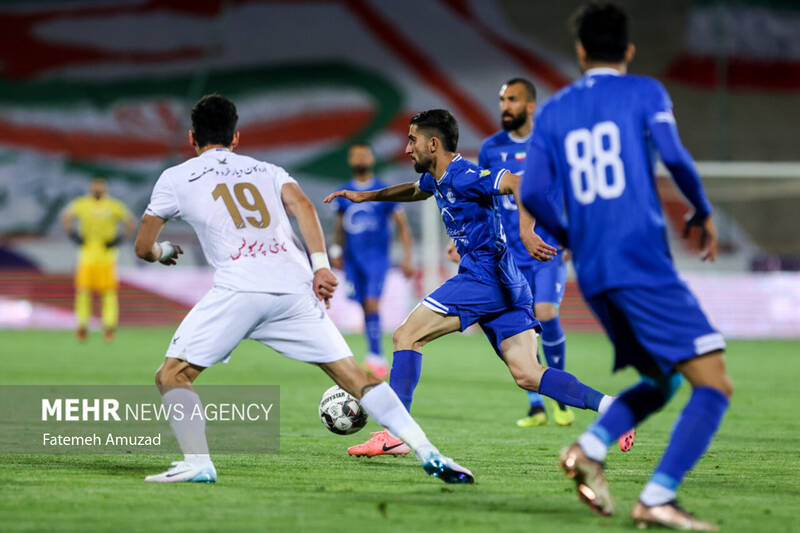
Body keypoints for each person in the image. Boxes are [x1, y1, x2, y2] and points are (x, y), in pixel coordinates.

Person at [134, 94, 472, 484]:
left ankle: (197, 463)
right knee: (355, 376)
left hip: (240, 288)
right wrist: (321, 267)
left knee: (172, 375)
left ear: (192, 137)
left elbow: (143, 247)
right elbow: (304, 208)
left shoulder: (176, 177)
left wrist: (163, 252)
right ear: (236, 138)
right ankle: (429, 450)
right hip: (294, 289)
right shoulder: (267, 170)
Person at [520, 4, 732, 530]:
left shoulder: (554, 110)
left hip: (593, 272)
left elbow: (533, 193)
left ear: (580, 51)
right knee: (713, 383)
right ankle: (657, 497)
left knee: (663, 380)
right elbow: (674, 157)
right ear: (629, 50)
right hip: (639, 260)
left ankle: (589, 449)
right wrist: (703, 210)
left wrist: (572, 236)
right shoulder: (645, 92)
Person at [325, 109, 630, 459]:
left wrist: (526, 231)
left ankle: (395, 434)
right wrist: (366, 196)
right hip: (507, 281)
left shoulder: (464, 175)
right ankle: (612, 407)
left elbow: (519, 183)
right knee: (528, 374)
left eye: (412, 140)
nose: (407, 148)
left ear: (433, 144)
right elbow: (415, 190)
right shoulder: (436, 178)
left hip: (483, 278)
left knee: (406, 336)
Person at [479, 78, 574, 428]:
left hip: (547, 247)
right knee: (521, 329)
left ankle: (561, 396)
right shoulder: (491, 148)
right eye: (503, 100)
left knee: (545, 312)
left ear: (530, 106)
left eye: (513, 99)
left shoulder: (550, 143)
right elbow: (483, 196)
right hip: (508, 255)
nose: (505, 106)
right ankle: (536, 406)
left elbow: (570, 191)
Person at [331, 143, 414, 379]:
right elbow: (339, 225)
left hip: (377, 258)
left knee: (372, 303)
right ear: (350, 160)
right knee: (363, 305)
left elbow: (402, 225)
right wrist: (336, 251)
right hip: (352, 259)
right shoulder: (343, 192)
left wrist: (407, 257)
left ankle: (376, 356)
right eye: (355, 155)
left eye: (364, 155)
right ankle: (373, 353)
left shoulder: (384, 191)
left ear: (372, 159)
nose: (359, 158)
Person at [61, 177, 135, 342]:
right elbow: (66, 216)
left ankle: (109, 327)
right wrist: (73, 235)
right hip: (86, 255)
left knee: (108, 293)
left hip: (107, 256)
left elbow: (130, 221)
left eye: (100, 186)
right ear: (91, 187)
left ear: (105, 188)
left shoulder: (113, 205)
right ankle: (82, 326)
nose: (98, 189)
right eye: (95, 186)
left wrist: (119, 239)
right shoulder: (82, 203)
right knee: (83, 291)